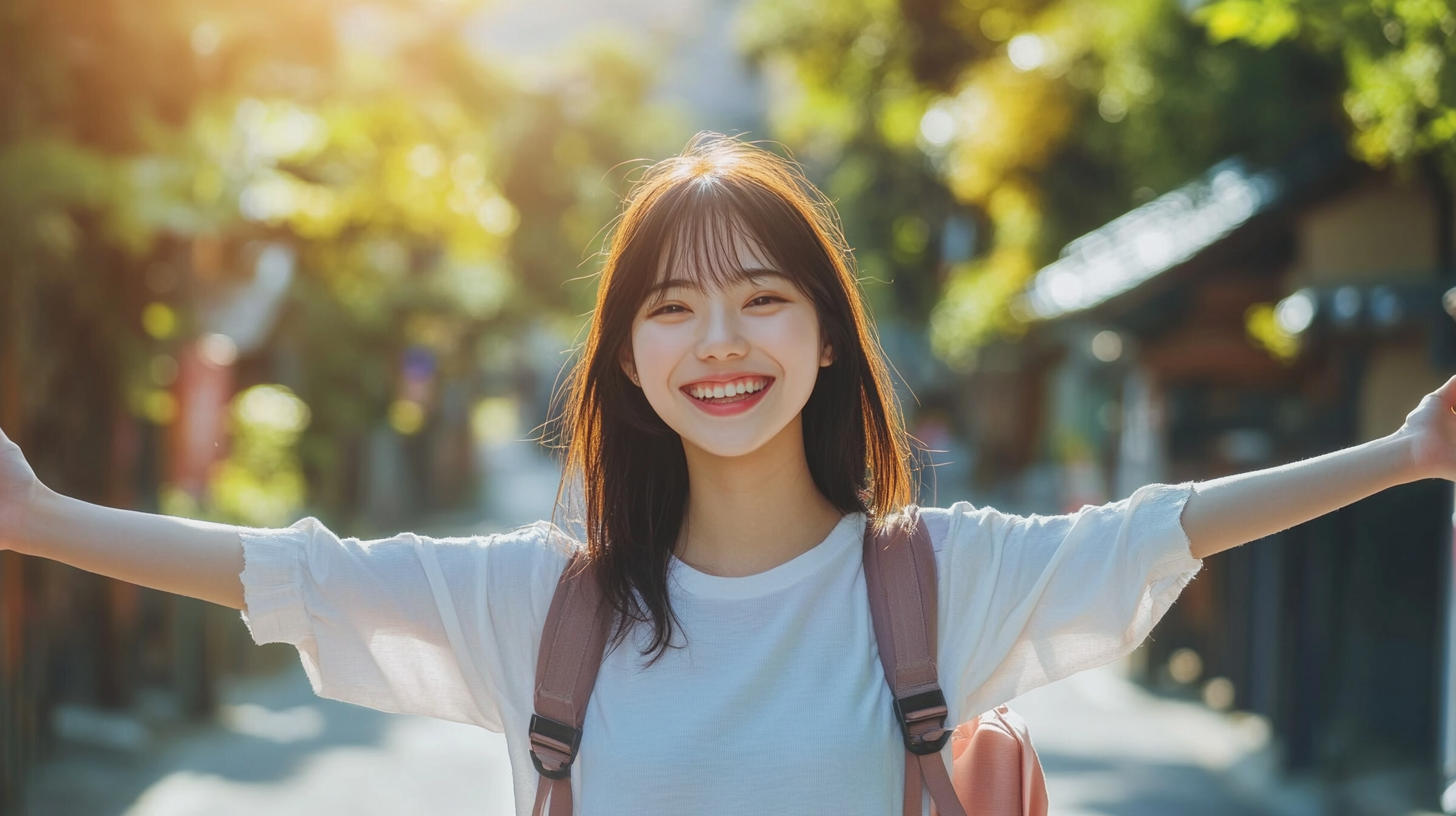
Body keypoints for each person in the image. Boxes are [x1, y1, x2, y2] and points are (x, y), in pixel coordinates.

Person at [2, 132, 1454, 816]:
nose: (719, 340)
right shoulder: (540, 608)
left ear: (828, 341)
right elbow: (289, 574)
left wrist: (1403, 455)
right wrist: (40, 517)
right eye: (671, 307)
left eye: (763, 298)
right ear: (626, 362)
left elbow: (1169, 526)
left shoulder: (935, 578)